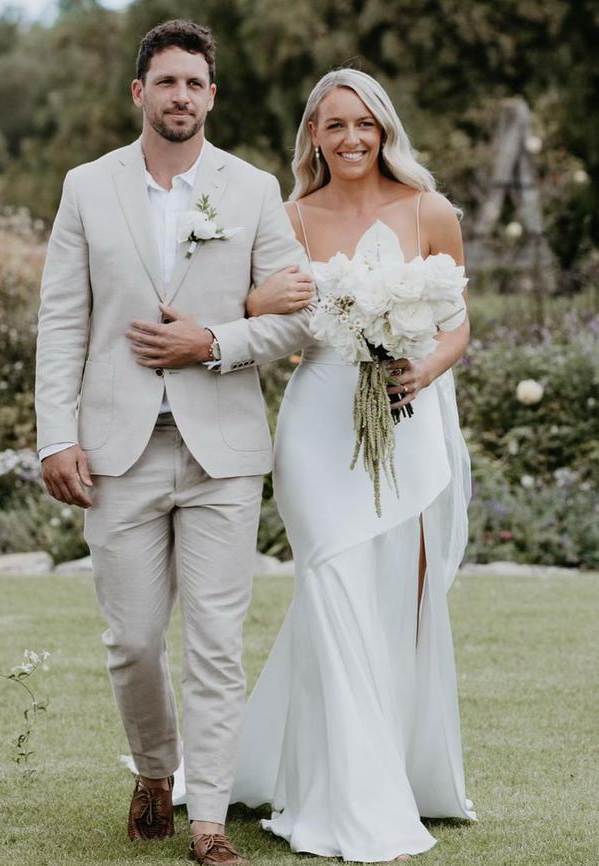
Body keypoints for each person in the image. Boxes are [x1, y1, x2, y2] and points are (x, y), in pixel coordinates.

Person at [34, 19, 315, 866]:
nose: (181, 97)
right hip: (115, 447)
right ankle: (155, 768)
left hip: (221, 449)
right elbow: (60, 320)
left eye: (195, 83)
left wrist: (215, 342)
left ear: (212, 95)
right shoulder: (87, 186)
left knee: (217, 641)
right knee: (131, 640)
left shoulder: (254, 189)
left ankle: (208, 822)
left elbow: (301, 311)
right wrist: (56, 436)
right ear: (139, 92)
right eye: (167, 82)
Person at [226, 69, 477, 862]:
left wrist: (424, 371)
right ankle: (346, 798)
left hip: (409, 418)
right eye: (333, 126)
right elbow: (256, 308)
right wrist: (264, 305)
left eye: (363, 124)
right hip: (317, 419)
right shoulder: (290, 218)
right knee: (332, 582)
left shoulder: (430, 211)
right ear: (313, 138)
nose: (351, 139)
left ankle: (391, 771)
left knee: (395, 594)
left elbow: (457, 322)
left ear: (384, 129)